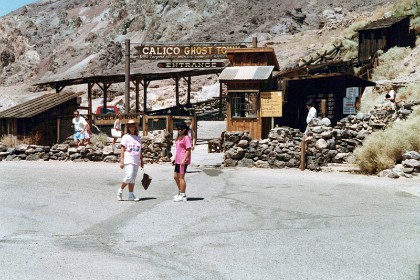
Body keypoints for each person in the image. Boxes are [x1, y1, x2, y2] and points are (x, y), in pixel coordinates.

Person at [117, 119, 144, 202]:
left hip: (136, 159)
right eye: (130, 126)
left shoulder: (138, 138)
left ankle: (131, 195)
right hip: (128, 158)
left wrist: (141, 160)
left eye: (133, 126)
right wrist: (121, 161)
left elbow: (140, 150)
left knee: (133, 178)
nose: (132, 127)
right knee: (129, 176)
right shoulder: (125, 137)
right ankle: (120, 190)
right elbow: (122, 150)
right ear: (127, 127)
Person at [173, 122, 192, 202]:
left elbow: (188, 150)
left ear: (185, 129)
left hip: (183, 160)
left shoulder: (186, 138)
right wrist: (175, 158)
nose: (180, 130)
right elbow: (178, 149)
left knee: (181, 178)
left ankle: (183, 195)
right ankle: (180, 192)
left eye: (181, 129)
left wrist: (184, 160)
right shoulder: (179, 137)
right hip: (178, 159)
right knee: (175, 177)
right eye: (178, 129)